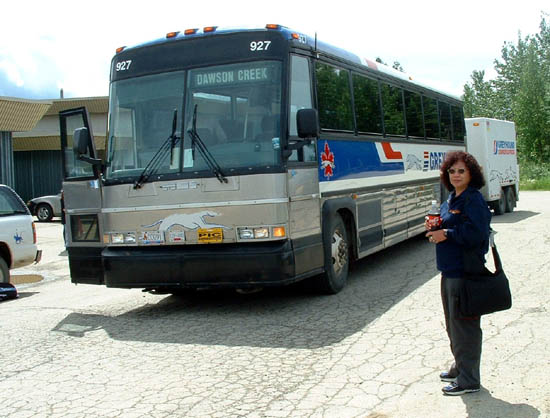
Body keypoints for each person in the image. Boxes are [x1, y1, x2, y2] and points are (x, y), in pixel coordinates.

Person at [425, 151, 492, 396]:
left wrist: (446, 234)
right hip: (449, 271)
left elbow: (477, 234)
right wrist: (434, 227)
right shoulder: (452, 198)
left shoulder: (473, 200)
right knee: (453, 325)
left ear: (471, 174)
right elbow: (447, 225)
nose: (456, 175)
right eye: (452, 171)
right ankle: (461, 367)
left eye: (461, 171)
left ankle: (469, 380)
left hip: (465, 273)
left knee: (465, 327)